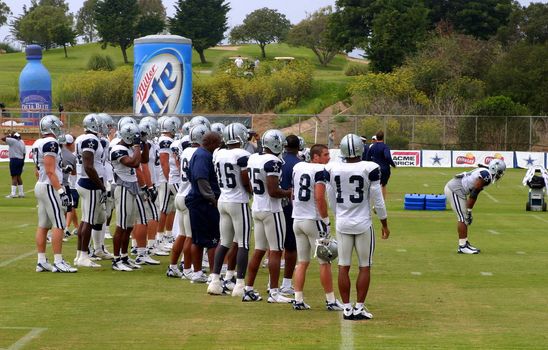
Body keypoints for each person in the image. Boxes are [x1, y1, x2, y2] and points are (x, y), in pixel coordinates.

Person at [326, 133, 390, 320]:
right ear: (361, 149)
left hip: (343, 222)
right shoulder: (370, 167)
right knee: (365, 266)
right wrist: (384, 222)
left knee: (343, 266)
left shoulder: (332, 168)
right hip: (363, 223)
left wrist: (337, 216)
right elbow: (378, 200)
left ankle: (346, 308)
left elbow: (330, 197)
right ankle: (359, 307)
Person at [291, 143, 344, 311]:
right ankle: (330, 300)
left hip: (297, 219)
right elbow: (320, 198)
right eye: (325, 154)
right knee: (325, 261)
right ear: (315, 157)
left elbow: (293, 191)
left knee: (302, 262)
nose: (328, 157)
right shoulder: (320, 171)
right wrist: (326, 220)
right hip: (313, 220)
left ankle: (298, 299)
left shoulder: (298, 167)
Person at [243, 129, 293, 303]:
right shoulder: (273, 161)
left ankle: (248, 289)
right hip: (271, 210)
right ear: (277, 143)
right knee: (276, 250)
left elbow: (250, 184)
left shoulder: (253, 158)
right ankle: (274, 292)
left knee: (259, 250)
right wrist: (289, 193)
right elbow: (273, 191)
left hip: (257, 207)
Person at [207, 123, 252, 296]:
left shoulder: (218, 153)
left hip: (223, 199)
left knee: (224, 242)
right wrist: (251, 191)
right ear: (241, 136)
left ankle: (215, 281)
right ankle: (239, 284)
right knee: (243, 243)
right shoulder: (242, 154)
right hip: (238, 201)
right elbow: (245, 177)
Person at [32, 115, 77, 273]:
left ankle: (41, 261)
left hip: (42, 185)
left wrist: (62, 171)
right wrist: (61, 191)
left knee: (43, 225)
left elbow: (40, 169)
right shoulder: (51, 143)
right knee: (59, 224)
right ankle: (58, 261)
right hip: (50, 186)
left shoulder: (39, 142)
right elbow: (50, 171)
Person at [444, 159, 506, 254]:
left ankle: (464, 242)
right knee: (463, 218)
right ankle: (462, 246)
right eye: (500, 172)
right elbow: (474, 193)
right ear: (495, 170)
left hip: (459, 189)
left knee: (464, 218)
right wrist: (469, 211)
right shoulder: (486, 177)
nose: (500, 174)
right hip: (454, 189)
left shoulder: (486, 172)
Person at [185, 131, 222, 283]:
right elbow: (201, 178)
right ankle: (213, 275)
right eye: (218, 143)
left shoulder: (200, 153)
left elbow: (191, 175)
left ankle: (198, 272)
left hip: (197, 201)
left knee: (198, 240)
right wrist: (212, 198)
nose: (219, 146)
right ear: (212, 143)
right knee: (212, 240)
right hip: (203, 203)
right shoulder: (203, 155)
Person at [110, 122, 146, 271]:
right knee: (121, 225)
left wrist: (144, 143)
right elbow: (134, 163)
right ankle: (116, 259)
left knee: (129, 226)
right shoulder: (117, 149)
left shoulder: (129, 148)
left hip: (132, 186)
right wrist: (137, 146)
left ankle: (124, 256)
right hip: (123, 187)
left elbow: (144, 160)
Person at [74, 114, 106, 268]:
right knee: (89, 221)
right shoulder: (90, 140)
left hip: (85, 182)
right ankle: (84, 256)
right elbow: (88, 165)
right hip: (90, 183)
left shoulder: (82, 138)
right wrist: (101, 185)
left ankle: (79, 254)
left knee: (85, 219)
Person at [279, 135, 301, 296]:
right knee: (291, 247)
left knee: (272, 247)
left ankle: (271, 285)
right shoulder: (299, 164)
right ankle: (286, 283)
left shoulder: (276, 160)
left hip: (271, 206)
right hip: (290, 207)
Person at [366, 131, 396, 199]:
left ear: (376, 137)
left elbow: (368, 157)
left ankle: (374, 204)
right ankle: (381, 204)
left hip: (374, 169)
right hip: (384, 169)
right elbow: (387, 157)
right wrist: (393, 164)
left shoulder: (372, 147)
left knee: (374, 185)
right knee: (383, 185)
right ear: (383, 137)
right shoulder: (385, 147)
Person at [60, 134, 78, 239]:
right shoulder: (71, 156)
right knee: (69, 207)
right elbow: (74, 173)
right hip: (69, 184)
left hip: (54, 183)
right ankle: (65, 228)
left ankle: (76, 226)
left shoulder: (56, 153)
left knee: (70, 207)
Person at [2, 131, 26, 198]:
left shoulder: (13, 141)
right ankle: (21, 193)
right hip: (21, 160)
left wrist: (8, 135)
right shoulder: (22, 142)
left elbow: (3, 138)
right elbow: (24, 153)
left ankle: (13, 194)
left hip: (14, 160)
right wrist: (23, 162)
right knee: (18, 176)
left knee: (14, 177)